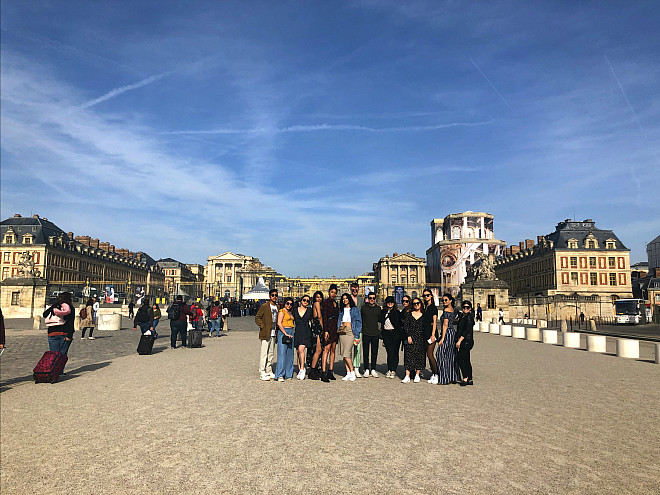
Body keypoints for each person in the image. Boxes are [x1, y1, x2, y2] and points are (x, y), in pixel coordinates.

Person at [255, 289, 279, 381]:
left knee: (271, 353)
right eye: (273, 295)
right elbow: (257, 317)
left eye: (276, 295)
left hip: (273, 333)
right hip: (266, 332)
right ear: (269, 296)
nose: (274, 297)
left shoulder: (277, 307)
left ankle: (269, 370)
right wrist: (263, 326)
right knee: (264, 353)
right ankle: (262, 371)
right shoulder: (265, 306)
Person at [337, 293, 361, 382]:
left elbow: (358, 323)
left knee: (347, 354)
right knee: (344, 354)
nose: (345, 300)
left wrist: (357, 336)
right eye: (343, 299)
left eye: (346, 298)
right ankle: (348, 372)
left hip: (351, 332)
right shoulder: (341, 310)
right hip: (342, 331)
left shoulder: (355, 310)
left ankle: (352, 372)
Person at [437, 293, 460, 385]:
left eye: (446, 300)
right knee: (451, 355)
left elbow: (445, 324)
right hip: (452, 333)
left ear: (451, 300)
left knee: (440, 354)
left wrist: (442, 338)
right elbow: (459, 317)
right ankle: (453, 377)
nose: (444, 302)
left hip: (447, 333)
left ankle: (444, 378)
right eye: (443, 300)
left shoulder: (446, 310)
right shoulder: (454, 310)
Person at [43, 291, 75, 358]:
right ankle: (58, 368)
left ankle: (53, 368)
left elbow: (44, 314)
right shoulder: (70, 308)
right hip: (64, 333)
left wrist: (52, 308)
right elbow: (70, 322)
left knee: (53, 355)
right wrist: (69, 335)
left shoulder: (55, 307)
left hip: (52, 333)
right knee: (62, 356)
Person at [402, 297, 424, 383]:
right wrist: (409, 336)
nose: (416, 305)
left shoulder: (423, 314)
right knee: (408, 355)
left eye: (418, 303)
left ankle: (417, 375)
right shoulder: (409, 314)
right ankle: (407, 375)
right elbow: (406, 326)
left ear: (421, 304)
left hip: (420, 337)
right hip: (411, 337)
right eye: (414, 303)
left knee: (419, 355)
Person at [320, 284, 339, 382]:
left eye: (335, 293)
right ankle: (323, 372)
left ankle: (330, 371)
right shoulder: (326, 303)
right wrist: (326, 330)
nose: (333, 294)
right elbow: (325, 317)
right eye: (332, 292)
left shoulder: (336, 303)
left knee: (333, 349)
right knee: (326, 349)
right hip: (329, 326)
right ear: (329, 292)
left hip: (335, 326)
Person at [380, 296, 402, 378]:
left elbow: (399, 323)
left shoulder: (396, 312)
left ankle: (393, 370)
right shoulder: (383, 312)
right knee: (389, 352)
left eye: (391, 302)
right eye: (388, 302)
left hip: (395, 333)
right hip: (386, 333)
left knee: (395, 352)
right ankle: (389, 368)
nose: (390, 304)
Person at [361, 292, 381, 377]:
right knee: (365, 352)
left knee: (374, 352)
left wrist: (379, 330)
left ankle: (373, 368)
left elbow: (380, 320)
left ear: (375, 299)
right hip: (366, 332)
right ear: (367, 299)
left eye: (373, 298)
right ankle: (366, 368)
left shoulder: (378, 308)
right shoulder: (364, 308)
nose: (372, 299)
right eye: (370, 298)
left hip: (375, 333)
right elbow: (361, 319)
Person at [455, 300, 475, 386]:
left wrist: (459, 341)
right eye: (464, 307)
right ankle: (470, 379)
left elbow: (466, 331)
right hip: (467, 341)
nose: (465, 309)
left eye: (467, 307)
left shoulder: (469, 317)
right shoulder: (464, 316)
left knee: (460, 359)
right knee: (466, 360)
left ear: (470, 308)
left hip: (466, 341)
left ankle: (465, 378)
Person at [276, 297, 295, 382]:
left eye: (291, 304)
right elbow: (279, 323)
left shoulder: (290, 312)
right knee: (282, 354)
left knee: (290, 354)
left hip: (291, 331)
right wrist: (285, 333)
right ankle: (280, 374)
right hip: (284, 332)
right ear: (284, 303)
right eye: (287, 303)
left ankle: (288, 373)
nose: (289, 305)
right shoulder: (282, 311)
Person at [294, 294, 313, 380]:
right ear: (301, 301)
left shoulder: (310, 310)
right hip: (297, 332)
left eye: (307, 301)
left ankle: (302, 369)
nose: (306, 302)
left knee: (301, 349)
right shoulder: (295, 310)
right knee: (298, 351)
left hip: (306, 332)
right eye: (304, 300)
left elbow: (313, 321)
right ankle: (300, 369)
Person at [422, 289, 439, 384]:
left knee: (430, 354)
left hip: (431, 334)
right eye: (424, 295)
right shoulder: (425, 307)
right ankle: (433, 373)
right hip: (425, 333)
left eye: (427, 295)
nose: (426, 297)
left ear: (431, 296)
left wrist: (433, 335)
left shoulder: (433, 307)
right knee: (428, 355)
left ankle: (437, 374)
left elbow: (435, 322)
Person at [307, 291, 324, 380]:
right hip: (318, 327)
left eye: (320, 297)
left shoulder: (315, 304)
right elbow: (319, 317)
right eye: (317, 297)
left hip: (315, 326)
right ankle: (312, 370)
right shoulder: (317, 304)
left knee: (317, 349)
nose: (319, 299)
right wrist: (322, 327)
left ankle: (315, 369)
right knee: (318, 349)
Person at [349, 282, 365, 377]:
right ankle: (349, 368)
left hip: (358, 327)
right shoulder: (347, 299)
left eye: (356, 289)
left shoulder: (361, 300)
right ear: (350, 289)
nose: (355, 291)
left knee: (358, 349)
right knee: (348, 349)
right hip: (349, 326)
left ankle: (356, 368)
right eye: (353, 289)